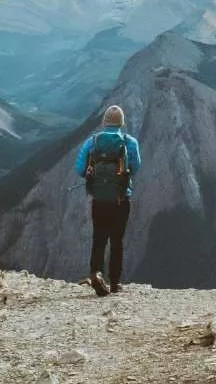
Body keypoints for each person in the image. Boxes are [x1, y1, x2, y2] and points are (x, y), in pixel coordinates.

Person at [73, 105, 142, 297]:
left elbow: (79, 169)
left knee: (99, 238)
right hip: (121, 199)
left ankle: (96, 273)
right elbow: (135, 167)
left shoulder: (92, 142)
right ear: (121, 123)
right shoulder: (130, 142)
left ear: (104, 122)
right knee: (117, 240)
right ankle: (115, 283)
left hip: (99, 200)